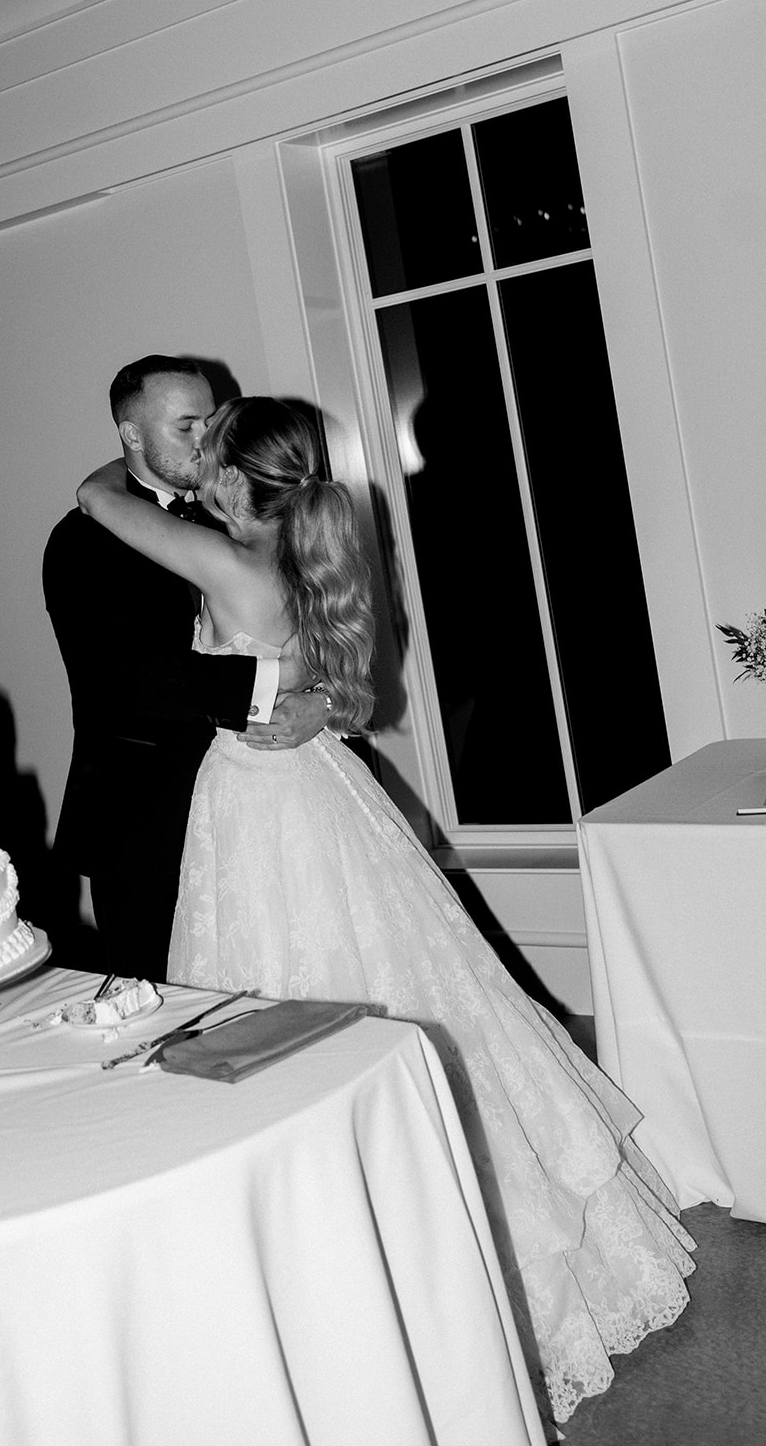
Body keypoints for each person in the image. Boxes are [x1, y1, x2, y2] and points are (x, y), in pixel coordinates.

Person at [76, 395, 695, 1427]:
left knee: (276, 1003)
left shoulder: (227, 562)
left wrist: (151, 464)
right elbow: (312, 678)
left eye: (207, 456)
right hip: (320, 786)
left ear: (234, 481)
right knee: (397, 981)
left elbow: (97, 498)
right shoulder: (311, 547)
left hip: (259, 810)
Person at [43, 357, 327, 982]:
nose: (206, 443)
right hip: (144, 815)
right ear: (132, 436)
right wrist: (276, 684)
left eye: (211, 422)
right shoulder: (84, 542)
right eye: (185, 426)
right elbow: (128, 681)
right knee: (161, 1003)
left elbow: (314, 621)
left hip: (254, 802)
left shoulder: (231, 514)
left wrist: (321, 701)